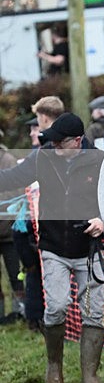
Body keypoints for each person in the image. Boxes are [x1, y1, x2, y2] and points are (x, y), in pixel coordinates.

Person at [0, 113, 104, 383]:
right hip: (53, 248)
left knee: (94, 313)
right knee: (57, 306)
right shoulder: (43, 157)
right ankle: (54, 367)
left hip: (90, 250)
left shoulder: (100, 161)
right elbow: (11, 178)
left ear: (78, 141)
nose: (55, 145)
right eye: (53, 140)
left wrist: (103, 219)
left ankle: (90, 376)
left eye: (61, 141)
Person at [11, 117, 45, 331]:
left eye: (36, 129)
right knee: (32, 269)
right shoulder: (30, 157)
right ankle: (34, 318)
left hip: (43, 220)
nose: (32, 133)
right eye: (31, 129)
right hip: (26, 221)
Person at [0, 134, 24, 324]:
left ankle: (20, 311)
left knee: (15, 274)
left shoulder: (8, 160)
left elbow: (17, 195)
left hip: (8, 231)